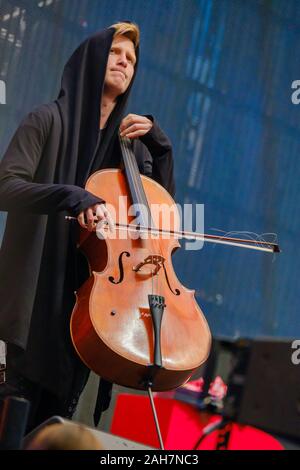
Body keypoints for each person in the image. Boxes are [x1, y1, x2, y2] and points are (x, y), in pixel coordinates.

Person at [0, 21, 175, 432]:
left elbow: (159, 222)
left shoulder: (127, 152)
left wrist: (160, 147)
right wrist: (73, 196)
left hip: (85, 317)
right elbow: (6, 187)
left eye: (131, 59)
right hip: (28, 310)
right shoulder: (45, 120)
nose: (124, 62)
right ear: (92, 59)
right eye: (116, 52)